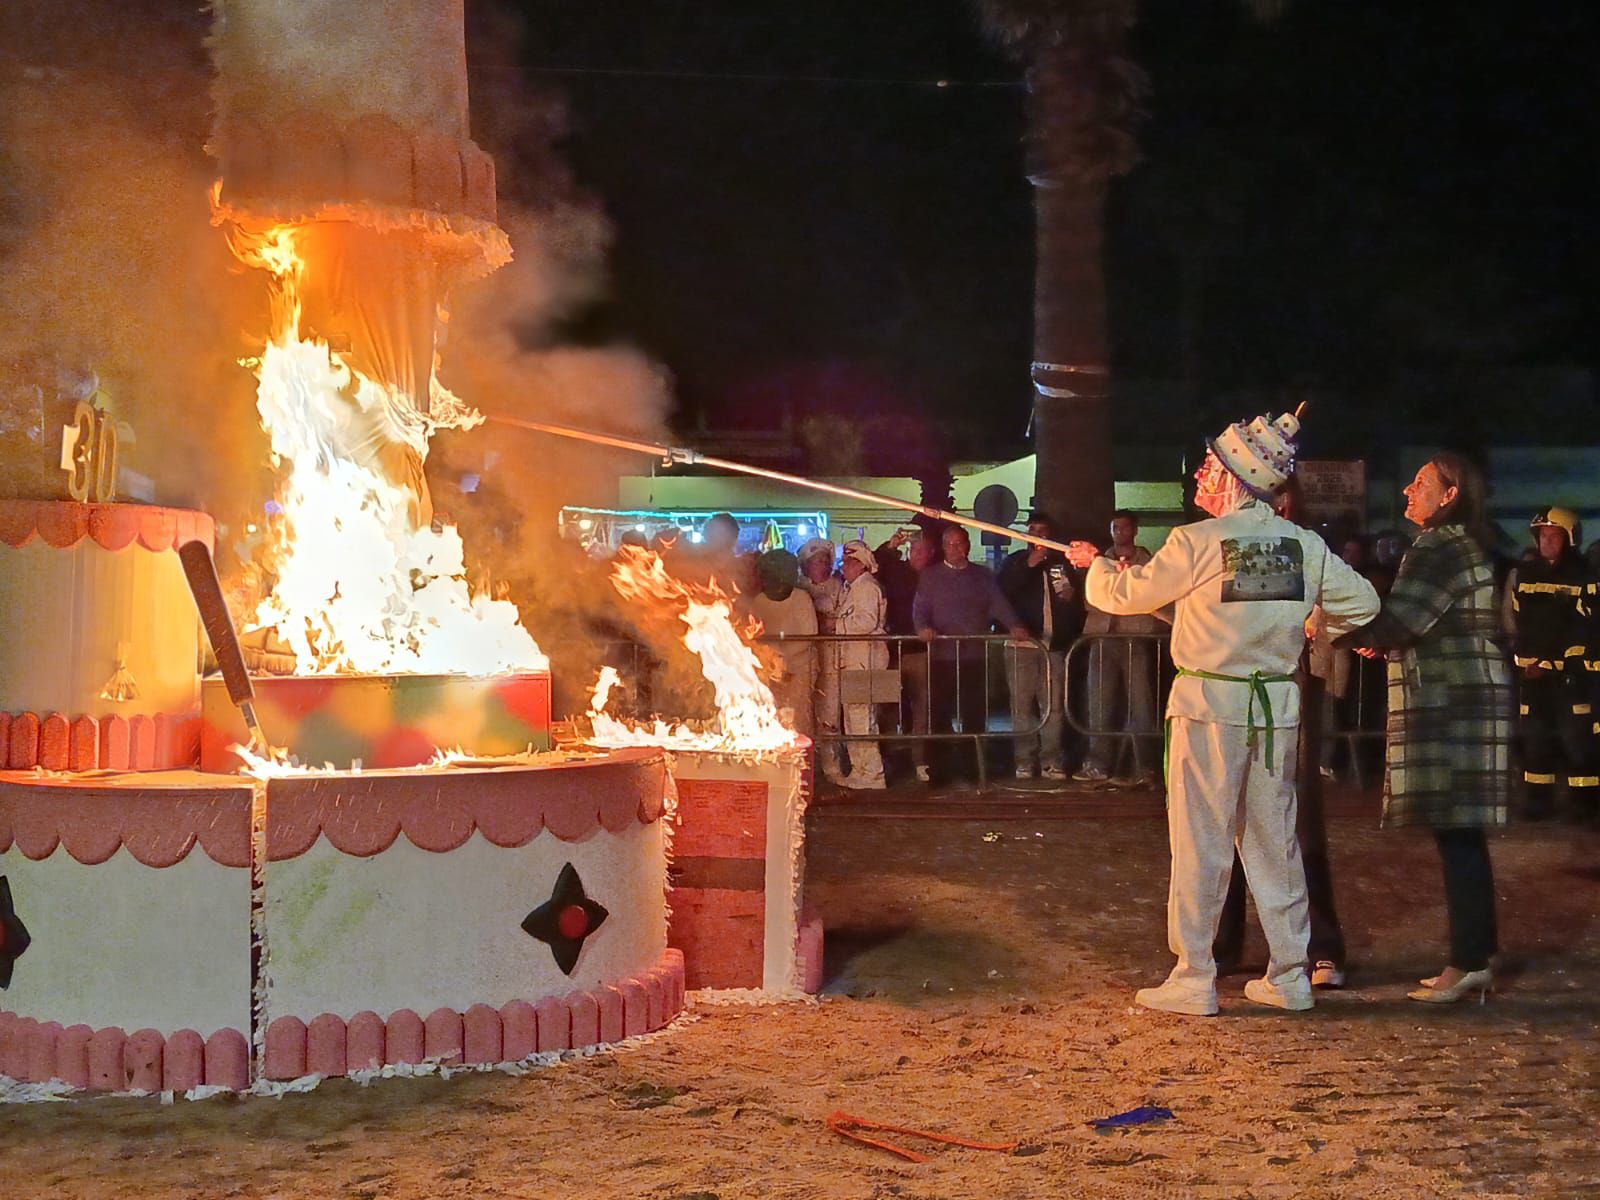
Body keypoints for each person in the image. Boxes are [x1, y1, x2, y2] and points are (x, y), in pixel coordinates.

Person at [1067, 409, 1379, 1015]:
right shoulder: (1303, 544)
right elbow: (1362, 604)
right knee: (1273, 841)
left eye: (1208, 467)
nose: (1198, 480)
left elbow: (1125, 595)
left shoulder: (1197, 540)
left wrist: (1096, 566)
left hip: (1209, 707)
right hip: (1275, 710)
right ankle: (1290, 972)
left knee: (1201, 840)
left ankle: (1193, 976)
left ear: (1236, 479)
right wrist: (1312, 621)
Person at [1336, 453, 1511, 1004]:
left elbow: (1403, 618)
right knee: (1462, 833)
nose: (1409, 490)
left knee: (1456, 832)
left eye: (1421, 483)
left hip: (1450, 702)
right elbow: (1417, 624)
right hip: (1466, 697)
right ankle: (1476, 952)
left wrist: (1332, 626)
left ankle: (1468, 961)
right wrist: (1385, 637)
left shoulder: (1438, 547)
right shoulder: (1468, 544)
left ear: (1451, 494)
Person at [912, 525, 1029, 784]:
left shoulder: (982, 576)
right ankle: (939, 771)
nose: (957, 549)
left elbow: (998, 603)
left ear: (968, 545)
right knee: (939, 714)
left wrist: (1014, 624)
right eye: (951, 544)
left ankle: (973, 769)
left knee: (974, 714)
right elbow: (919, 609)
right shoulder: (930, 577)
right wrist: (923, 628)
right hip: (941, 656)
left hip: (973, 656)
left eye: (960, 543)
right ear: (943, 547)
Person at [1500, 507, 1594, 821]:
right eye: (1542, 536)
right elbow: (1521, 623)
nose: (1547, 541)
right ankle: (1538, 803)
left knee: (1578, 740)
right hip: (1533, 676)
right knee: (1535, 741)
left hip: (1574, 677)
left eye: (1554, 535)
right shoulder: (1525, 576)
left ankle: (1585, 805)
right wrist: (1526, 662)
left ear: (1570, 538)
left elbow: (1584, 629)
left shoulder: (1587, 577)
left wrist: (1558, 665)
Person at [1075, 510, 1163, 784]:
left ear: (1134, 530)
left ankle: (1144, 765)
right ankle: (1098, 762)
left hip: (1135, 638)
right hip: (1102, 637)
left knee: (1141, 704)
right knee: (1099, 703)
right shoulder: (1100, 561)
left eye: (1124, 527)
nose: (1119, 532)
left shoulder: (1149, 563)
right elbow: (1089, 599)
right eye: (1115, 527)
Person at [997, 511, 1082, 780]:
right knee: (1021, 707)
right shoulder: (1015, 562)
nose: (1037, 536)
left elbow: (1071, 600)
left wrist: (1069, 608)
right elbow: (1003, 593)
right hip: (1021, 647)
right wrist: (1030, 565)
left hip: (1053, 646)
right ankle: (1024, 760)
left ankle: (1051, 760)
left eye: (1042, 531)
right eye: (1032, 530)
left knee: (1054, 708)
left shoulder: (1060, 565)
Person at [832, 540, 890, 788]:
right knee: (855, 717)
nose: (844, 567)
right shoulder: (854, 588)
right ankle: (860, 769)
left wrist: (834, 626)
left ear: (860, 564)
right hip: (857, 658)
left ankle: (872, 773)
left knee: (863, 718)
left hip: (865, 658)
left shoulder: (867, 588)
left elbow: (866, 622)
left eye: (848, 562)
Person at [748, 549, 818, 738]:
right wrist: (771, 660)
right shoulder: (759, 602)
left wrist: (784, 657)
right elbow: (755, 636)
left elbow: (809, 635)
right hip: (770, 671)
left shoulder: (801, 599)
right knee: (772, 714)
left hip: (800, 668)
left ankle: (803, 761)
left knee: (799, 717)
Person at [797, 537, 847, 781]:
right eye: (818, 562)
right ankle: (804, 768)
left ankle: (831, 767)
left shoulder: (839, 586)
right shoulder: (798, 588)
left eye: (826, 561)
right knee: (803, 713)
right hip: (804, 659)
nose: (823, 566)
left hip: (831, 657)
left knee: (830, 715)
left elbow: (842, 620)